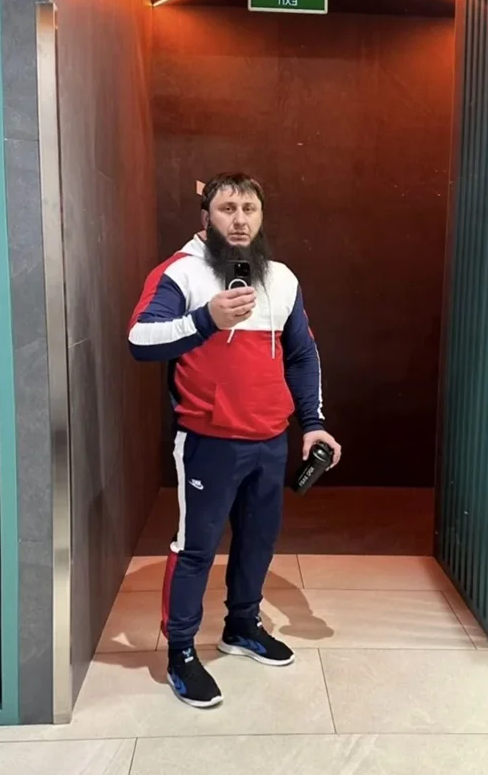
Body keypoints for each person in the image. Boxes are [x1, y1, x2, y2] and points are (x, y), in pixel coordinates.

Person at [128, 172, 341, 708]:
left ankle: (242, 627)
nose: (240, 220)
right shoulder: (181, 272)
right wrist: (206, 319)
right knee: (195, 548)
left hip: (270, 439)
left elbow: (301, 354)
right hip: (208, 440)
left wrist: (313, 421)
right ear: (206, 217)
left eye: (250, 209)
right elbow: (140, 339)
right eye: (228, 209)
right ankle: (180, 652)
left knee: (258, 540)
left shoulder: (282, 279)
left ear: (262, 217)